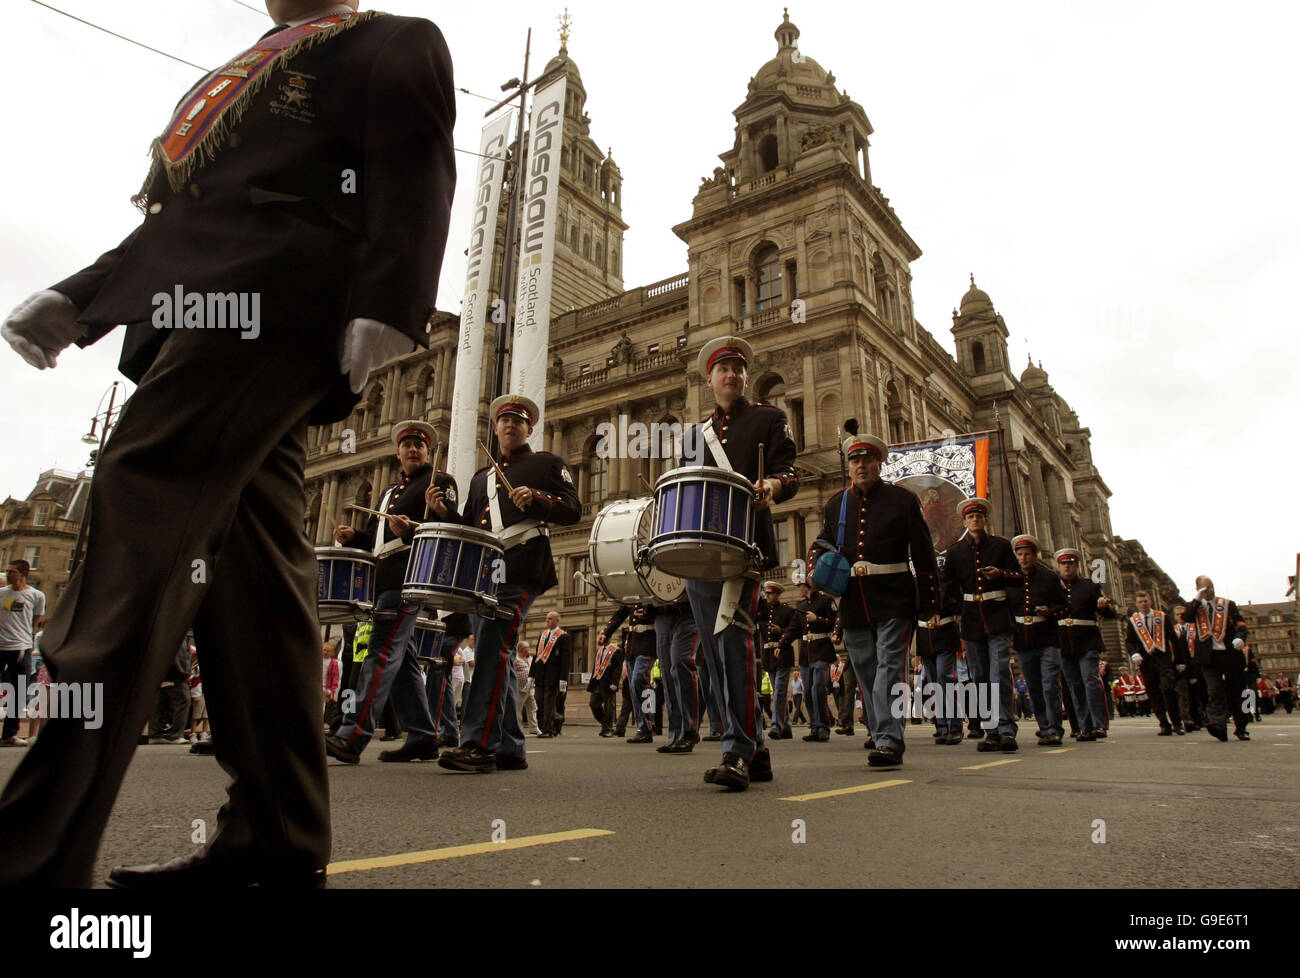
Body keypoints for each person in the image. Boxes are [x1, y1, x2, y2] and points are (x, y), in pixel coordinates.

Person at [0, 0, 456, 887]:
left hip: (279, 305)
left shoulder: (390, 41)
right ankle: (276, 844)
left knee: (141, 515)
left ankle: (31, 852)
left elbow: (416, 166)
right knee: (256, 587)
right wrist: (85, 297)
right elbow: (190, 217)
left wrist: (390, 305)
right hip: (198, 313)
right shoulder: (253, 67)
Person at [438, 396, 581, 773]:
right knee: (495, 652)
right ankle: (511, 747)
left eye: (518, 421)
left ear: (529, 429)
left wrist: (536, 499)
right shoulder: (481, 478)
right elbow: (470, 528)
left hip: (521, 566)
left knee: (491, 649)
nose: (511, 425)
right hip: (486, 574)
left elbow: (572, 509)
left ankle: (478, 746)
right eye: (504, 420)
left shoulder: (547, 463)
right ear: (496, 428)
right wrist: (442, 515)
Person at [325, 422, 458, 764]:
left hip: (408, 577)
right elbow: (375, 539)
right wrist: (352, 537)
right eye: (408, 445)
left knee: (380, 653)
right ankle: (424, 737)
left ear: (428, 452)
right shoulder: (389, 492)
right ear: (398, 452)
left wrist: (415, 528)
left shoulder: (439, 482)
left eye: (419, 445)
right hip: (382, 578)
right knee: (404, 662)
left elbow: (451, 530)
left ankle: (352, 734)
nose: (413, 450)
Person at [808, 433, 939, 767]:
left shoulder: (903, 500)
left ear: (879, 464)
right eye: (855, 460)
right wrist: (816, 563)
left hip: (894, 596)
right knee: (866, 674)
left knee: (889, 670)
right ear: (849, 466)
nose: (861, 466)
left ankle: (890, 740)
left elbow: (923, 553)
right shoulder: (837, 503)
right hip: (853, 600)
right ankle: (882, 734)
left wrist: (930, 603)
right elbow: (822, 540)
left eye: (867, 460)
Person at [941, 498, 1020, 752]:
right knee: (980, 677)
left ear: (985, 520)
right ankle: (991, 730)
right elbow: (948, 586)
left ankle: (1006, 728)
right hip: (972, 619)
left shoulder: (1001, 546)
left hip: (997, 616)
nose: (975, 520)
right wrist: (956, 608)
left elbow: (1019, 577)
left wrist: (1002, 575)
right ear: (964, 522)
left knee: (999, 673)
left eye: (979, 516)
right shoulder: (955, 552)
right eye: (970, 517)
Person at [1006, 535, 1067, 746]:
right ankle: (1044, 726)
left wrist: (1049, 610)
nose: (1023, 558)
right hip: (1023, 640)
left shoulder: (1049, 577)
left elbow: (1064, 605)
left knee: (1049, 683)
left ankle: (1054, 727)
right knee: (1034, 687)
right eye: (1020, 554)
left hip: (1047, 637)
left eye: (1027, 555)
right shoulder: (1010, 580)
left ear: (1034, 556)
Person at [1055, 548, 1117, 741]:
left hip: (1087, 641)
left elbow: (1109, 614)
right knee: (1074, 686)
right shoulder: (1053, 588)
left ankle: (1098, 725)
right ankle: (1084, 726)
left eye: (1071, 563)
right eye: (1064, 564)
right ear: (1059, 566)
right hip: (1064, 642)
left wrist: (1105, 606)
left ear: (1076, 566)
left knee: (1090, 682)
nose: (1067, 567)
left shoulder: (1089, 586)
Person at [1181, 577, 1249, 742]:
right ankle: (1218, 726)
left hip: (1229, 654)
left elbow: (1241, 624)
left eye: (1210, 587)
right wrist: (1197, 598)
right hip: (1208, 657)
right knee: (1214, 691)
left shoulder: (1227, 604)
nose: (1209, 591)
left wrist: (1240, 638)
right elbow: (1187, 617)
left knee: (1236, 692)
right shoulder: (1195, 607)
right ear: (1198, 589)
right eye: (1204, 589)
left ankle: (1241, 728)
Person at [1125, 590, 1188, 736]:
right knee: (1153, 692)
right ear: (1136, 604)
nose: (1143, 604)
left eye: (1145, 601)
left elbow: (1174, 639)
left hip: (1163, 658)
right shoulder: (1133, 621)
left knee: (1168, 690)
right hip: (1146, 661)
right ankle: (1164, 723)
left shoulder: (1162, 617)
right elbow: (1129, 641)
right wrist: (1133, 653)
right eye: (1140, 602)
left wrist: (1179, 660)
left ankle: (1177, 723)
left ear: (1150, 601)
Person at [0, 560, 48, 747]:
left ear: (23, 573)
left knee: (20, 692)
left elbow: (35, 622)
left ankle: (9, 735)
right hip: (0, 646)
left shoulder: (36, 596)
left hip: (21, 648)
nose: (9, 574)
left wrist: (25, 639)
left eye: (12, 572)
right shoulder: (1, 593)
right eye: (7, 571)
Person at [599, 605, 658, 743]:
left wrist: (648, 613)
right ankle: (642, 728)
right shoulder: (632, 595)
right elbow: (621, 613)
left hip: (648, 642)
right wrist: (606, 632)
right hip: (632, 644)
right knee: (633, 688)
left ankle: (648, 725)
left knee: (638, 681)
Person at [653, 597, 702, 754]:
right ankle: (675, 735)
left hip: (689, 611)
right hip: (662, 613)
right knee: (667, 675)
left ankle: (689, 730)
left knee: (680, 662)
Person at [755, 582, 796, 740]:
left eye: (771, 593)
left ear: (778, 594)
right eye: (767, 593)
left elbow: (795, 630)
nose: (768, 596)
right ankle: (786, 727)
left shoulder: (787, 610)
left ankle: (776, 726)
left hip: (783, 653)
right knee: (779, 692)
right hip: (768, 655)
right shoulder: (762, 612)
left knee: (779, 690)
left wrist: (781, 631)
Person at [531, 612, 571, 738]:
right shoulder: (543, 635)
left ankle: (548, 729)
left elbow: (566, 659)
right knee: (539, 702)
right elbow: (537, 656)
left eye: (550, 619)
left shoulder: (563, 637)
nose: (547, 621)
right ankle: (553, 722)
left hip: (554, 676)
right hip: (541, 676)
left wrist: (563, 679)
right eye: (546, 619)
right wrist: (531, 675)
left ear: (557, 621)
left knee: (549, 703)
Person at [587, 640, 623, 737]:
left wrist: (615, 683)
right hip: (598, 682)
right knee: (593, 703)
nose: (600, 639)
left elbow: (617, 668)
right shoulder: (599, 650)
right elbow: (595, 667)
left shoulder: (616, 650)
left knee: (608, 706)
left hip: (608, 683)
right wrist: (592, 683)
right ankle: (605, 724)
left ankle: (609, 728)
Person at [516, 642, 543, 736]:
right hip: (520, 688)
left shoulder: (531, 658)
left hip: (530, 687)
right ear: (521, 649)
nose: (529, 649)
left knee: (532, 708)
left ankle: (534, 728)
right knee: (518, 709)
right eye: (527, 648)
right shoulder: (515, 659)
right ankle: (518, 729)